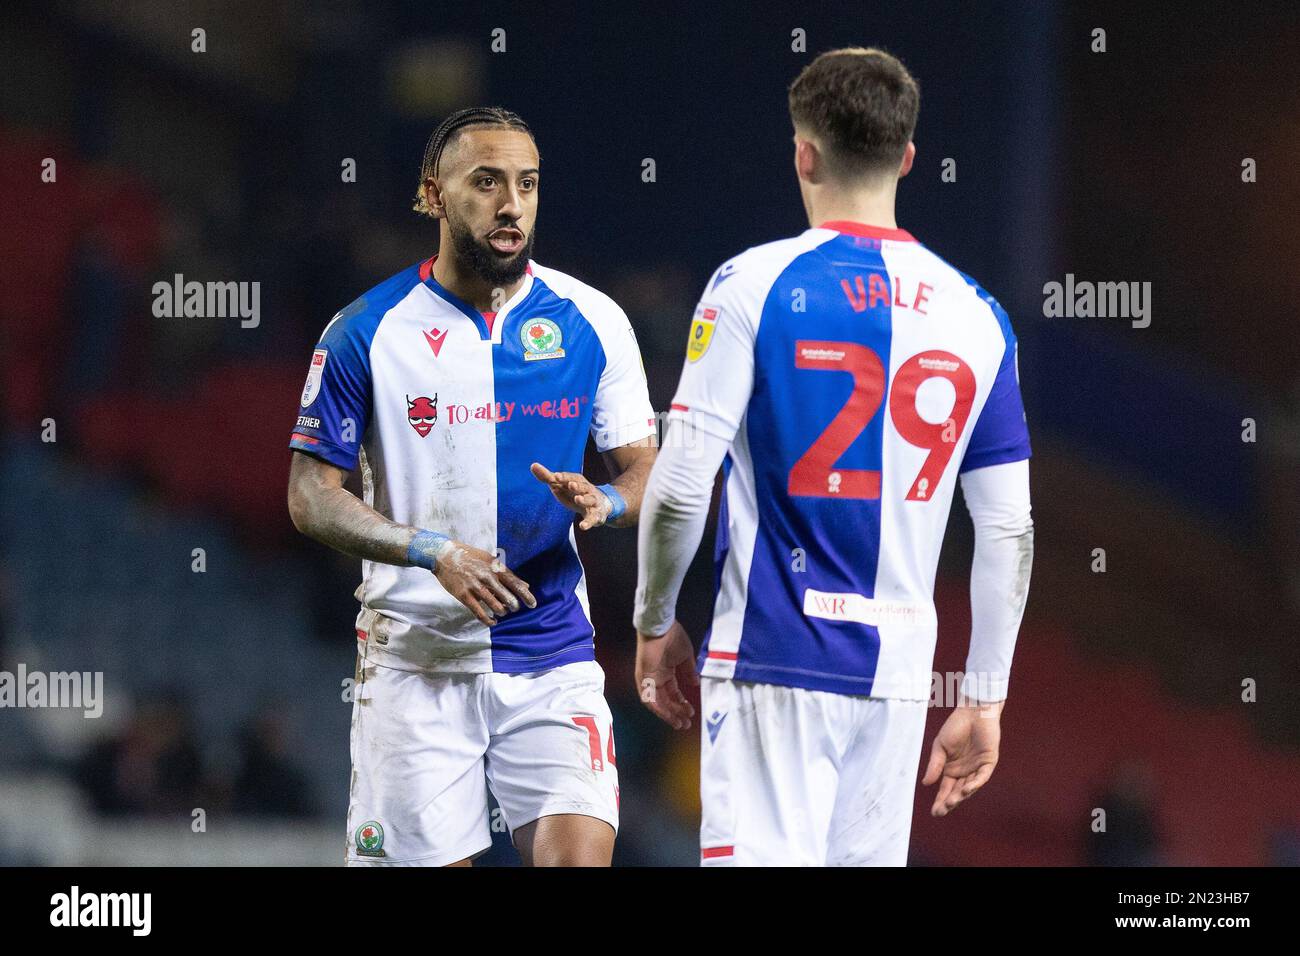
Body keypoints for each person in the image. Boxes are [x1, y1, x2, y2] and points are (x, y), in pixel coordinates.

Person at [633, 49, 1034, 866]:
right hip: (897, 679)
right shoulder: (979, 316)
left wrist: (653, 618)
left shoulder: (750, 284)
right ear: (909, 158)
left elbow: (680, 488)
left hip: (773, 656)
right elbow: (1008, 532)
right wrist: (984, 696)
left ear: (803, 154)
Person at [287, 107, 657, 866]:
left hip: (551, 654)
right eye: (486, 182)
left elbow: (651, 473)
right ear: (434, 195)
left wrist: (609, 500)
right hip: (415, 660)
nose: (511, 203)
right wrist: (430, 552)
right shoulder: (365, 331)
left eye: (526, 183)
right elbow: (310, 495)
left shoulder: (593, 320)